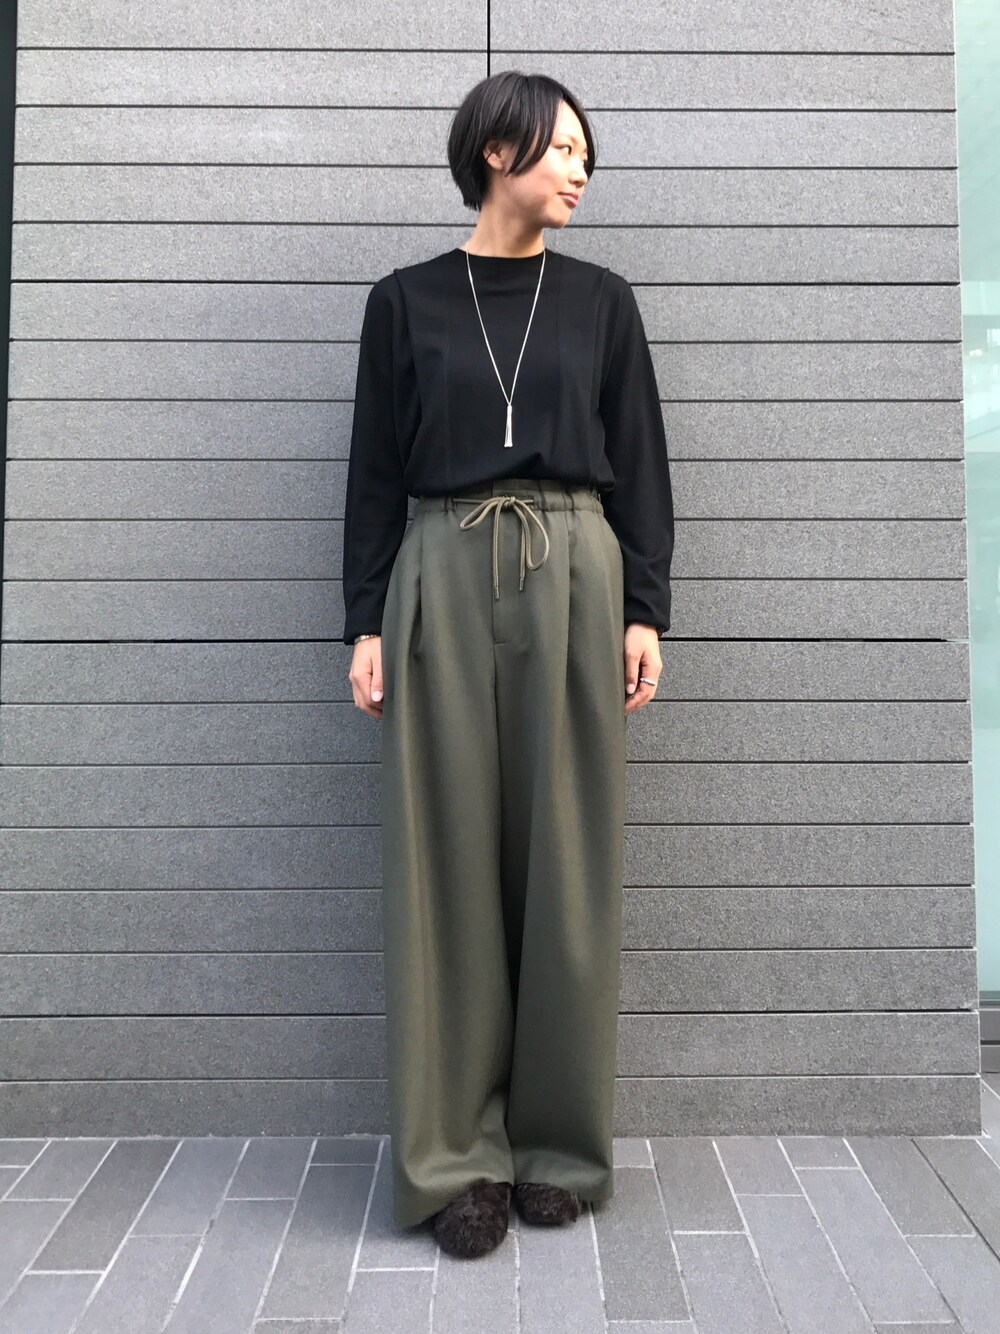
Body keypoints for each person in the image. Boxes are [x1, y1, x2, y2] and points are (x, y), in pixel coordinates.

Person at [342, 71, 674, 1260]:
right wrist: (364, 620)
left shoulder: (601, 301)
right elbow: (374, 470)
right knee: (442, 858)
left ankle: (558, 1151)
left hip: (575, 566)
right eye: (562, 148)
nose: (579, 170)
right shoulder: (404, 302)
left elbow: (640, 459)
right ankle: (454, 1159)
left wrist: (643, 607)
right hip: (438, 563)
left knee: (567, 858)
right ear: (496, 149)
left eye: (586, 153)